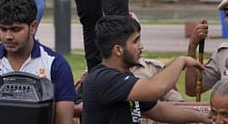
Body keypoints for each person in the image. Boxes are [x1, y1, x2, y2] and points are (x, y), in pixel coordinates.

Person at [0, 0, 76, 124]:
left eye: (15, 29)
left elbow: (64, 121)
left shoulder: (55, 65)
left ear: (33, 27)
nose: (8, 36)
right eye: (3, 29)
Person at [80, 15, 209, 124]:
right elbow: (157, 88)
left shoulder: (125, 76)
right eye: (135, 41)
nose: (141, 46)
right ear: (118, 50)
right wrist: (181, 61)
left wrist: (204, 117)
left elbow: (158, 110)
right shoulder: (103, 79)